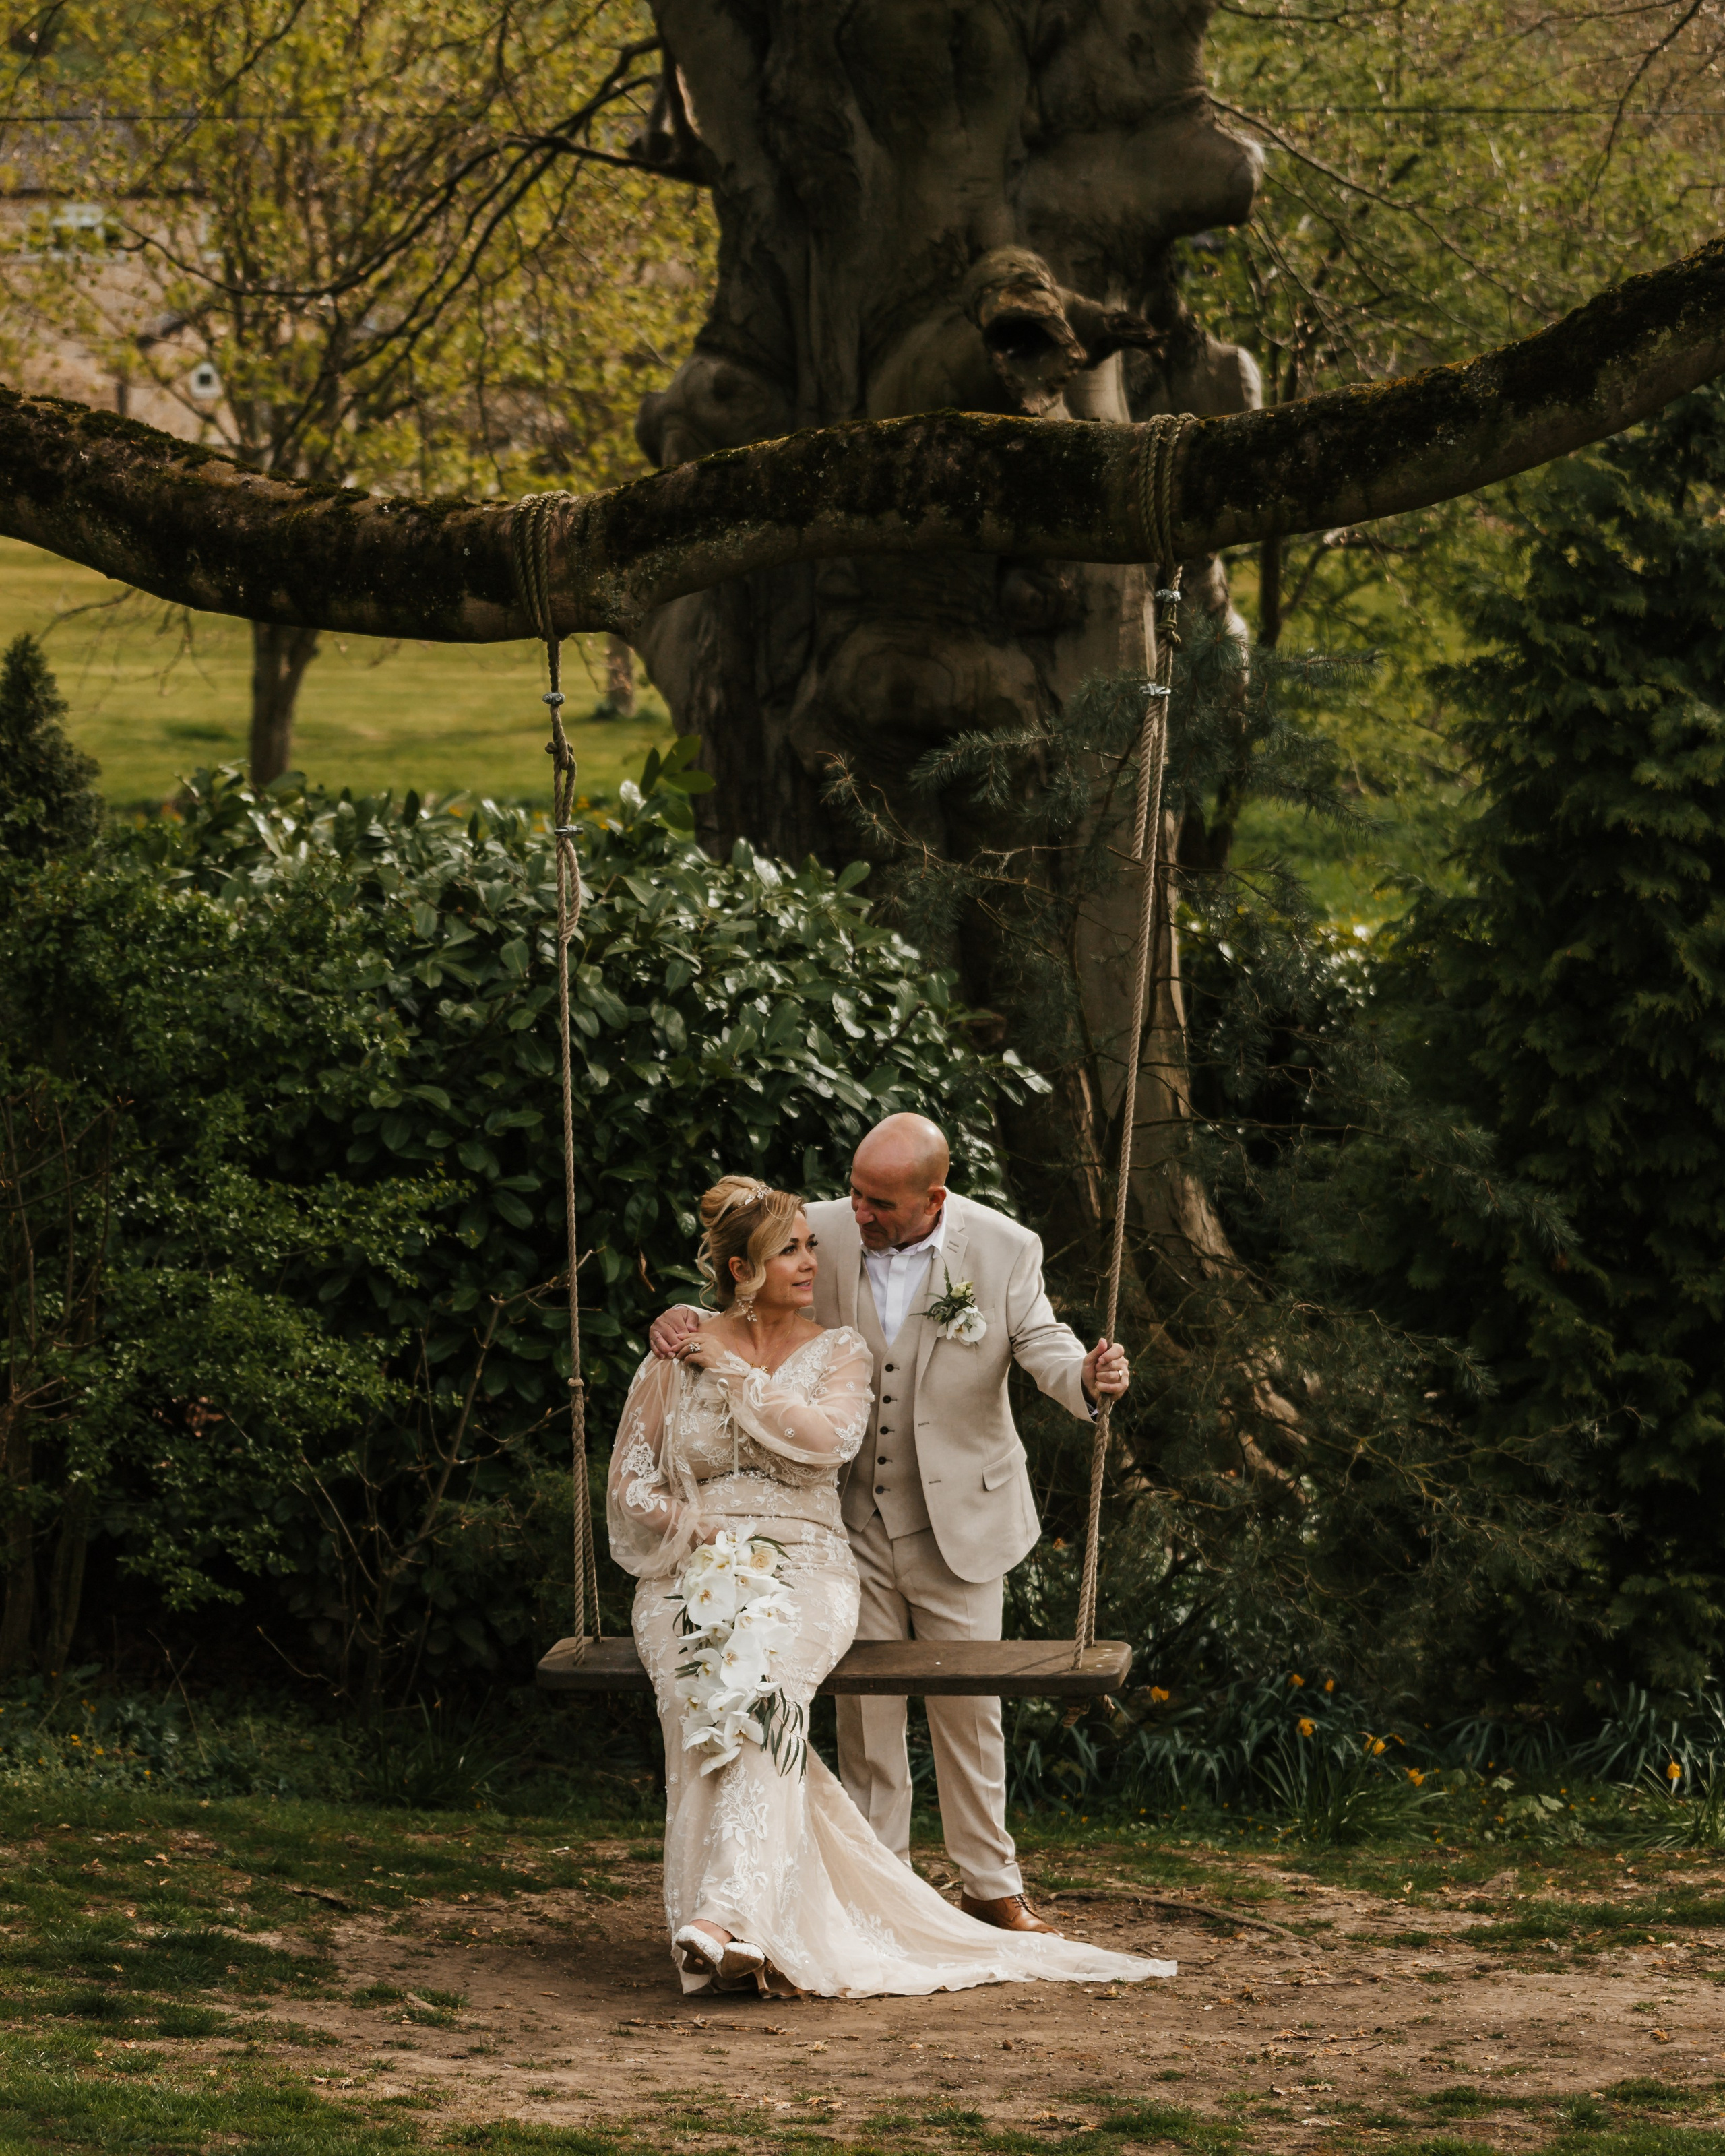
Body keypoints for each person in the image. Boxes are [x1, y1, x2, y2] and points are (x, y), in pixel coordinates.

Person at [610, 1172, 1170, 1998]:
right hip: (719, 1560)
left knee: (939, 1708)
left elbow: (843, 1428)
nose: (841, 1227)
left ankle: (967, 1885)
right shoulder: (752, 1284)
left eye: (875, 1198)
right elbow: (633, 1476)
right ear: (743, 1265)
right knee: (720, 1704)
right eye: (844, 1202)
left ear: (932, 1194)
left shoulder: (994, 1252)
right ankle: (763, 1911)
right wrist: (693, 1525)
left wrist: (1088, 1380)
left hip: (899, 1530)